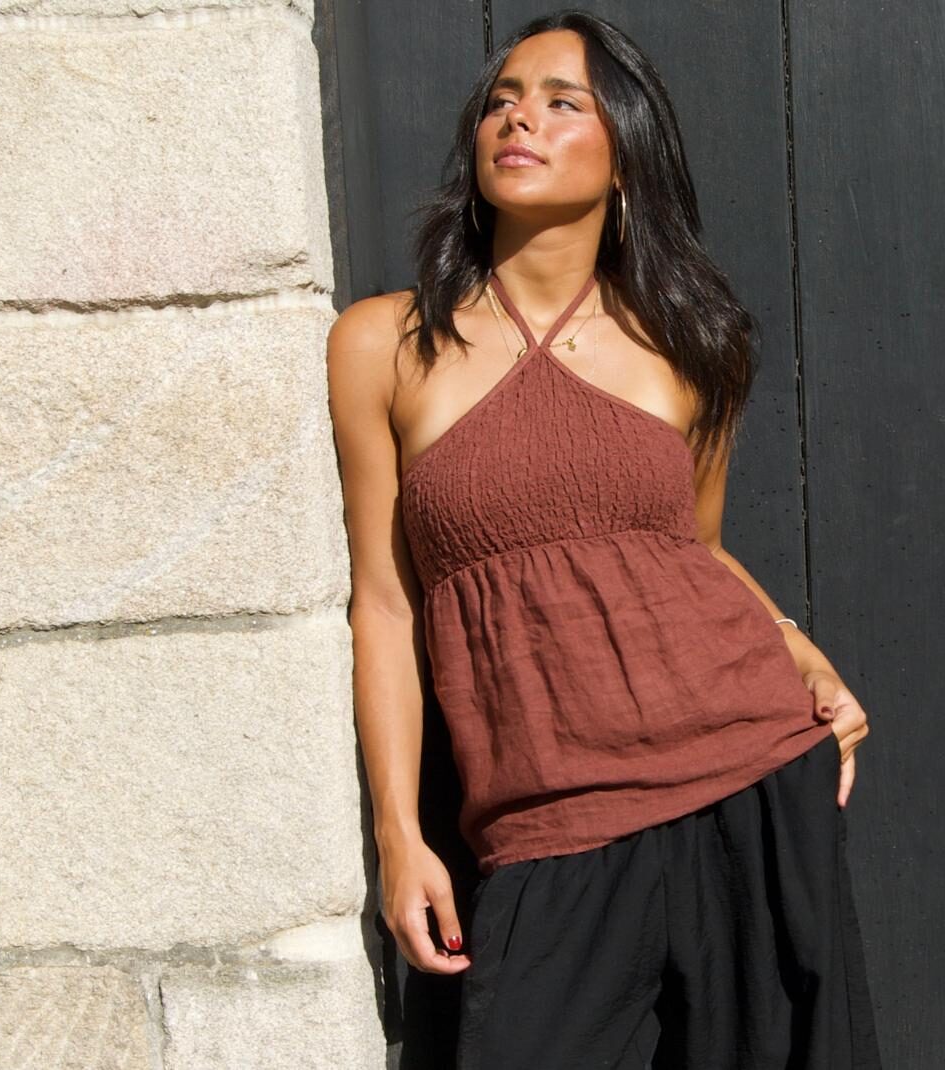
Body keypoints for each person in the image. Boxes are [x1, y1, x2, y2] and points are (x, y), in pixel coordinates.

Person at [325, 10, 880, 1068]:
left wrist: (793, 642)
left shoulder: (693, 345)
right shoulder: (385, 343)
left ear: (624, 156)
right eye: (501, 101)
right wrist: (401, 835)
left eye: (560, 102)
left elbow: (692, 548)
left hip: (747, 781)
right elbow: (386, 607)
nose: (518, 119)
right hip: (544, 821)